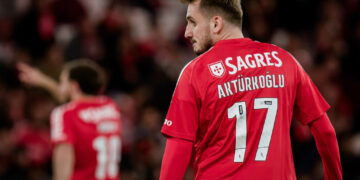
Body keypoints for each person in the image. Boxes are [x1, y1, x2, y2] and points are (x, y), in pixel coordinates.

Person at [159, 0, 342, 179]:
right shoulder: (284, 61)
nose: (187, 32)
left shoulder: (196, 72)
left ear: (216, 24)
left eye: (192, 22)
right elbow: (325, 131)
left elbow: (178, 151)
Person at [18, 60, 122, 180]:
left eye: (62, 82)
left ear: (74, 86)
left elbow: (63, 167)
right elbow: (73, 99)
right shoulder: (111, 107)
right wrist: (42, 81)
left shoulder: (64, 114)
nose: (60, 86)